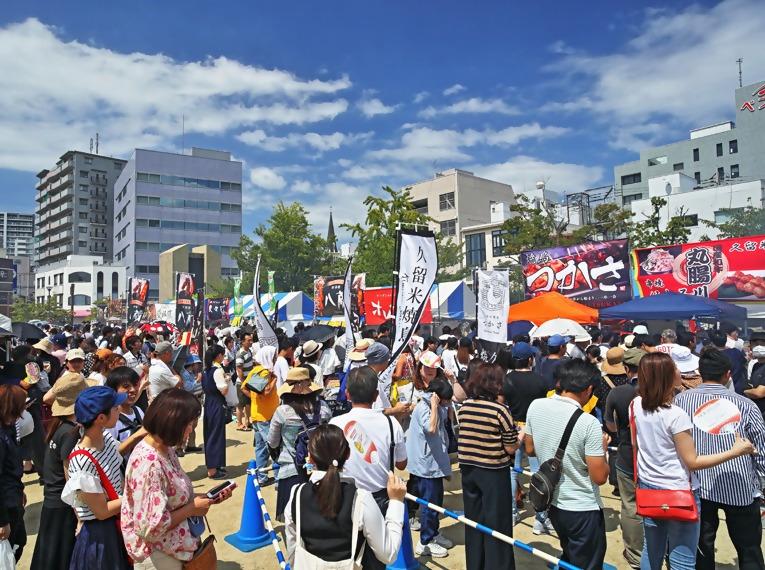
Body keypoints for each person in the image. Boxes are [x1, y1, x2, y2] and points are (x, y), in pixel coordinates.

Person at [630, 352, 755, 570]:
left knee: (652, 550)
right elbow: (693, 461)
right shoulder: (675, 415)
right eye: (675, 368)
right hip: (679, 491)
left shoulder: (636, 405)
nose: (680, 372)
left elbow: (635, 444)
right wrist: (735, 451)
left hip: (649, 487)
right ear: (668, 377)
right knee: (683, 559)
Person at [673, 349, 765, 570]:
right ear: (727, 374)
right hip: (740, 485)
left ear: (700, 373)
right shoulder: (746, 405)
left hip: (698, 485)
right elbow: (760, 451)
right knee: (749, 549)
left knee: (702, 547)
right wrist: (762, 485)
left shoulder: (681, 402)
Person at [121, 388, 234, 569]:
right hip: (160, 556)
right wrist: (192, 508)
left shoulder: (165, 450)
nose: (191, 428)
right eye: (188, 423)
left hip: (173, 549)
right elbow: (151, 526)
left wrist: (203, 498)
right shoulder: (148, 463)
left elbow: (169, 495)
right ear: (172, 422)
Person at [525, 360, 610, 570]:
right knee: (587, 562)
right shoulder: (588, 423)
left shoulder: (536, 405)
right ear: (589, 389)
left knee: (570, 554)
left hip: (552, 502)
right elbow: (599, 477)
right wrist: (604, 450)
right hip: (582, 507)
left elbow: (529, 449)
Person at [284, 424, 406, 567]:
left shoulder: (296, 494)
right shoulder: (361, 498)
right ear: (348, 454)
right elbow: (388, 554)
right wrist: (396, 502)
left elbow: (293, 546)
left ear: (309, 457)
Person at [329, 366, 407, 570]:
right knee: (376, 559)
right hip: (380, 499)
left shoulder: (335, 423)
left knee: (347, 555)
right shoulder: (391, 424)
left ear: (347, 394)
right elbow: (401, 463)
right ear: (375, 395)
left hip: (344, 499)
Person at [62, 386, 132, 569]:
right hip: (101, 537)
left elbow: (117, 476)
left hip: (118, 522)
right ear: (101, 418)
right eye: (115, 408)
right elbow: (101, 511)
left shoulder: (107, 438)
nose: (119, 409)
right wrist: (137, 495)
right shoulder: (81, 461)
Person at [458, 363, 519, 570]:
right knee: (497, 524)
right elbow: (510, 448)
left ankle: (475, 564)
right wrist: (518, 437)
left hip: (468, 470)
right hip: (493, 471)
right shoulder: (500, 411)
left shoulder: (465, 407)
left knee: (474, 522)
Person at [30, 367, 88, 570]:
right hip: (63, 504)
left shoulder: (60, 426)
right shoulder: (70, 432)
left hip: (53, 500)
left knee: (49, 554)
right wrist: (79, 512)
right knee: (60, 556)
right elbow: (69, 473)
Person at [268, 367, 331, 519]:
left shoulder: (282, 412)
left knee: (292, 519)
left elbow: (273, 442)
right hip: (320, 470)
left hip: (292, 470)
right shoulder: (323, 408)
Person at [503, 342, 552, 532]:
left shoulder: (506, 381)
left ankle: (512, 513)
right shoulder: (540, 381)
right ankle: (540, 518)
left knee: (511, 472)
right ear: (530, 359)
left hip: (513, 428)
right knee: (538, 473)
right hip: (535, 429)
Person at [604, 347, 645, 569]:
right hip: (658, 459)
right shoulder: (665, 390)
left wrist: (620, 430)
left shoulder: (617, 393)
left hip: (627, 453)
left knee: (630, 505)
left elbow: (610, 424)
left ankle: (636, 554)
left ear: (626, 369)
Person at [406, 378, 454, 558]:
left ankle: (433, 533)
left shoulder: (435, 405)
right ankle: (425, 542)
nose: (449, 403)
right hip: (426, 466)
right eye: (446, 400)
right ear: (436, 397)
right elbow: (431, 428)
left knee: (435, 502)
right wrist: (434, 406)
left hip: (433, 463)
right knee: (429, 505)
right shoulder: (425, 408)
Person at [0, 385, 29, 562]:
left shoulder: (8, 428)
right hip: (5, 506)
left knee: (18, 543)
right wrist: (2, 521)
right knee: (12, 548)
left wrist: (21, 490)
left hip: (13, 496)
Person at [104, 367, 148, 460]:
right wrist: (137, 435)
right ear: (113, 390)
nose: (133, 390)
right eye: (126, 386)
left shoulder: (138, 411)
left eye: (135, 384)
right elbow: (111, 455)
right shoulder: (111, 420)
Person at [202, 345, 232, 480]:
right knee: (216, 435)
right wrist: (227, 380)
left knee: (210, 434)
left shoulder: (205, 371)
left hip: (208, 403)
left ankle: (214, 465)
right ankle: (213, 469)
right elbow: (223, 390)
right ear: (218, 356)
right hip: (216, 404)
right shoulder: (217, 371)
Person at [180, 354, 204, 453]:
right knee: (187, 425)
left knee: (193, 424)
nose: (198, 366)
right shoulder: (185, 374)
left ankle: (191, 444)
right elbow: (188, 388)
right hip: (190, 400)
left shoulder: (194, 373)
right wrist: (197, 380)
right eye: (197, 364)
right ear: (192, 364)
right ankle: (181, 446)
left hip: (197, 400)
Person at [235, 332, 255, 431]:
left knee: (248, 404)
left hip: (248, 382)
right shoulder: (240, 354)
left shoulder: (249, 352)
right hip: (242, 383)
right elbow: (239, 371)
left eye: (251, 340)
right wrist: (244, 383)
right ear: (242, 342)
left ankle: (247, 422)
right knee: (240, 405)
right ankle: (239, 423)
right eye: (248, 340)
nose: (251, 342)